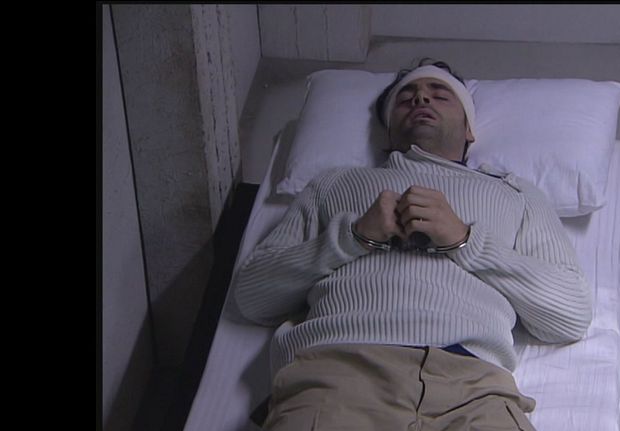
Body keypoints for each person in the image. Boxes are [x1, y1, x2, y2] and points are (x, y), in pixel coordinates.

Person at [234, 58, 592, 430]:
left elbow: (571, 314)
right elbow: (253, 297)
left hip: (475, 388)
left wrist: (465, 240)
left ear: (469, 129)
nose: (421, 99)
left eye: (440, 95)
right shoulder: (333, 184)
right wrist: (353, 236)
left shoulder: (515, 195)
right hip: (339, 372)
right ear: (388, 134)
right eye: (406, 98)